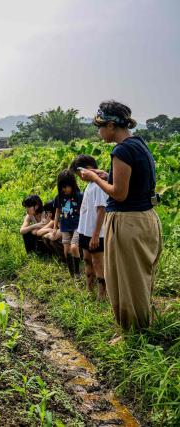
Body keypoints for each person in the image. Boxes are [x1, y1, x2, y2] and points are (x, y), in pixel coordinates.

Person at [79, 100, 162, 330]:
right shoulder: (138, 144)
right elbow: (131, 183)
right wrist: (107, 175)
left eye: (100, 126)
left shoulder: (122, 150)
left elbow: (120, 194)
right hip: (145, 217)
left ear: (111, 125)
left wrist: (95, 179)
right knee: (138, 279)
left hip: (129, 221)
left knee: (125, 280)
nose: (99, 132)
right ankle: (138, 329)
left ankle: (132, 333)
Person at [72, 155, 108, 298]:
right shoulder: (90, 185)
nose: (80, 177)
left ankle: (102, 294)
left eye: (79, 173)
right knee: (87, 259)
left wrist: (95, 235)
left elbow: (101, 210)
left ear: (87, 169)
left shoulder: (99, 185)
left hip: (96, 234)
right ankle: (89, 289)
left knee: (97, 262)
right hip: (84, 231)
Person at [54, 170, 83, 277]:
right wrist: (54, 226)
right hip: (65, 226)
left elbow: (83, 211)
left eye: (66, 186)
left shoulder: (79, 195)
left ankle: (77, 272)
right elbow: (57, 211)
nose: (64, 189)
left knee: (74, 247)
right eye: (62, 187)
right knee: (66, 251)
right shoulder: (59, 197)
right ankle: (72, 274)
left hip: (78, 225)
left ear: (72, 184)